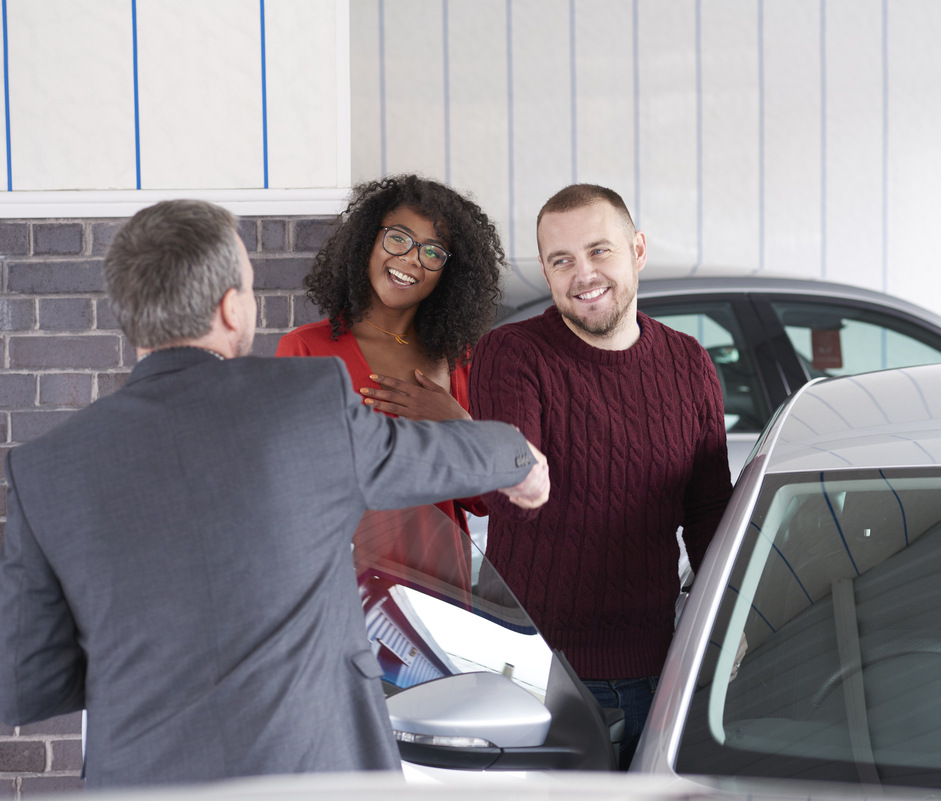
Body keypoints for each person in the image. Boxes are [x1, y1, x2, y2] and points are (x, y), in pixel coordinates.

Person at [0, 199, 549, 789]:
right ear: (231, 308)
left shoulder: (46, 469)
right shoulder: (307, 404)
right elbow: (434, 457)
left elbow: (23, 680)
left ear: (130, 314)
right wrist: (521, 461)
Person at [468, 184, 733, 768]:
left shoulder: (689, 362)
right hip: (533, 672)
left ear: (637, 250)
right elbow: (505, 478)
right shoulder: (511, 353)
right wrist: (513, 465)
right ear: (545, 270)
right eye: (561, 260)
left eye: (599, 251)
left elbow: (710, 509)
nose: (583, 275)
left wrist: (728, 623)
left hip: (654, 670)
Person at [276, 175, 503, 585]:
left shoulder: (460, 361)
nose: (413, 258)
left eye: (434, 252)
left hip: (443, 599)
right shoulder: (305, 350)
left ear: (448, 273)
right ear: (368, 241)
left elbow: (483, 500)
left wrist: (459, 427)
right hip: (348, 591)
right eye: (399, 239)